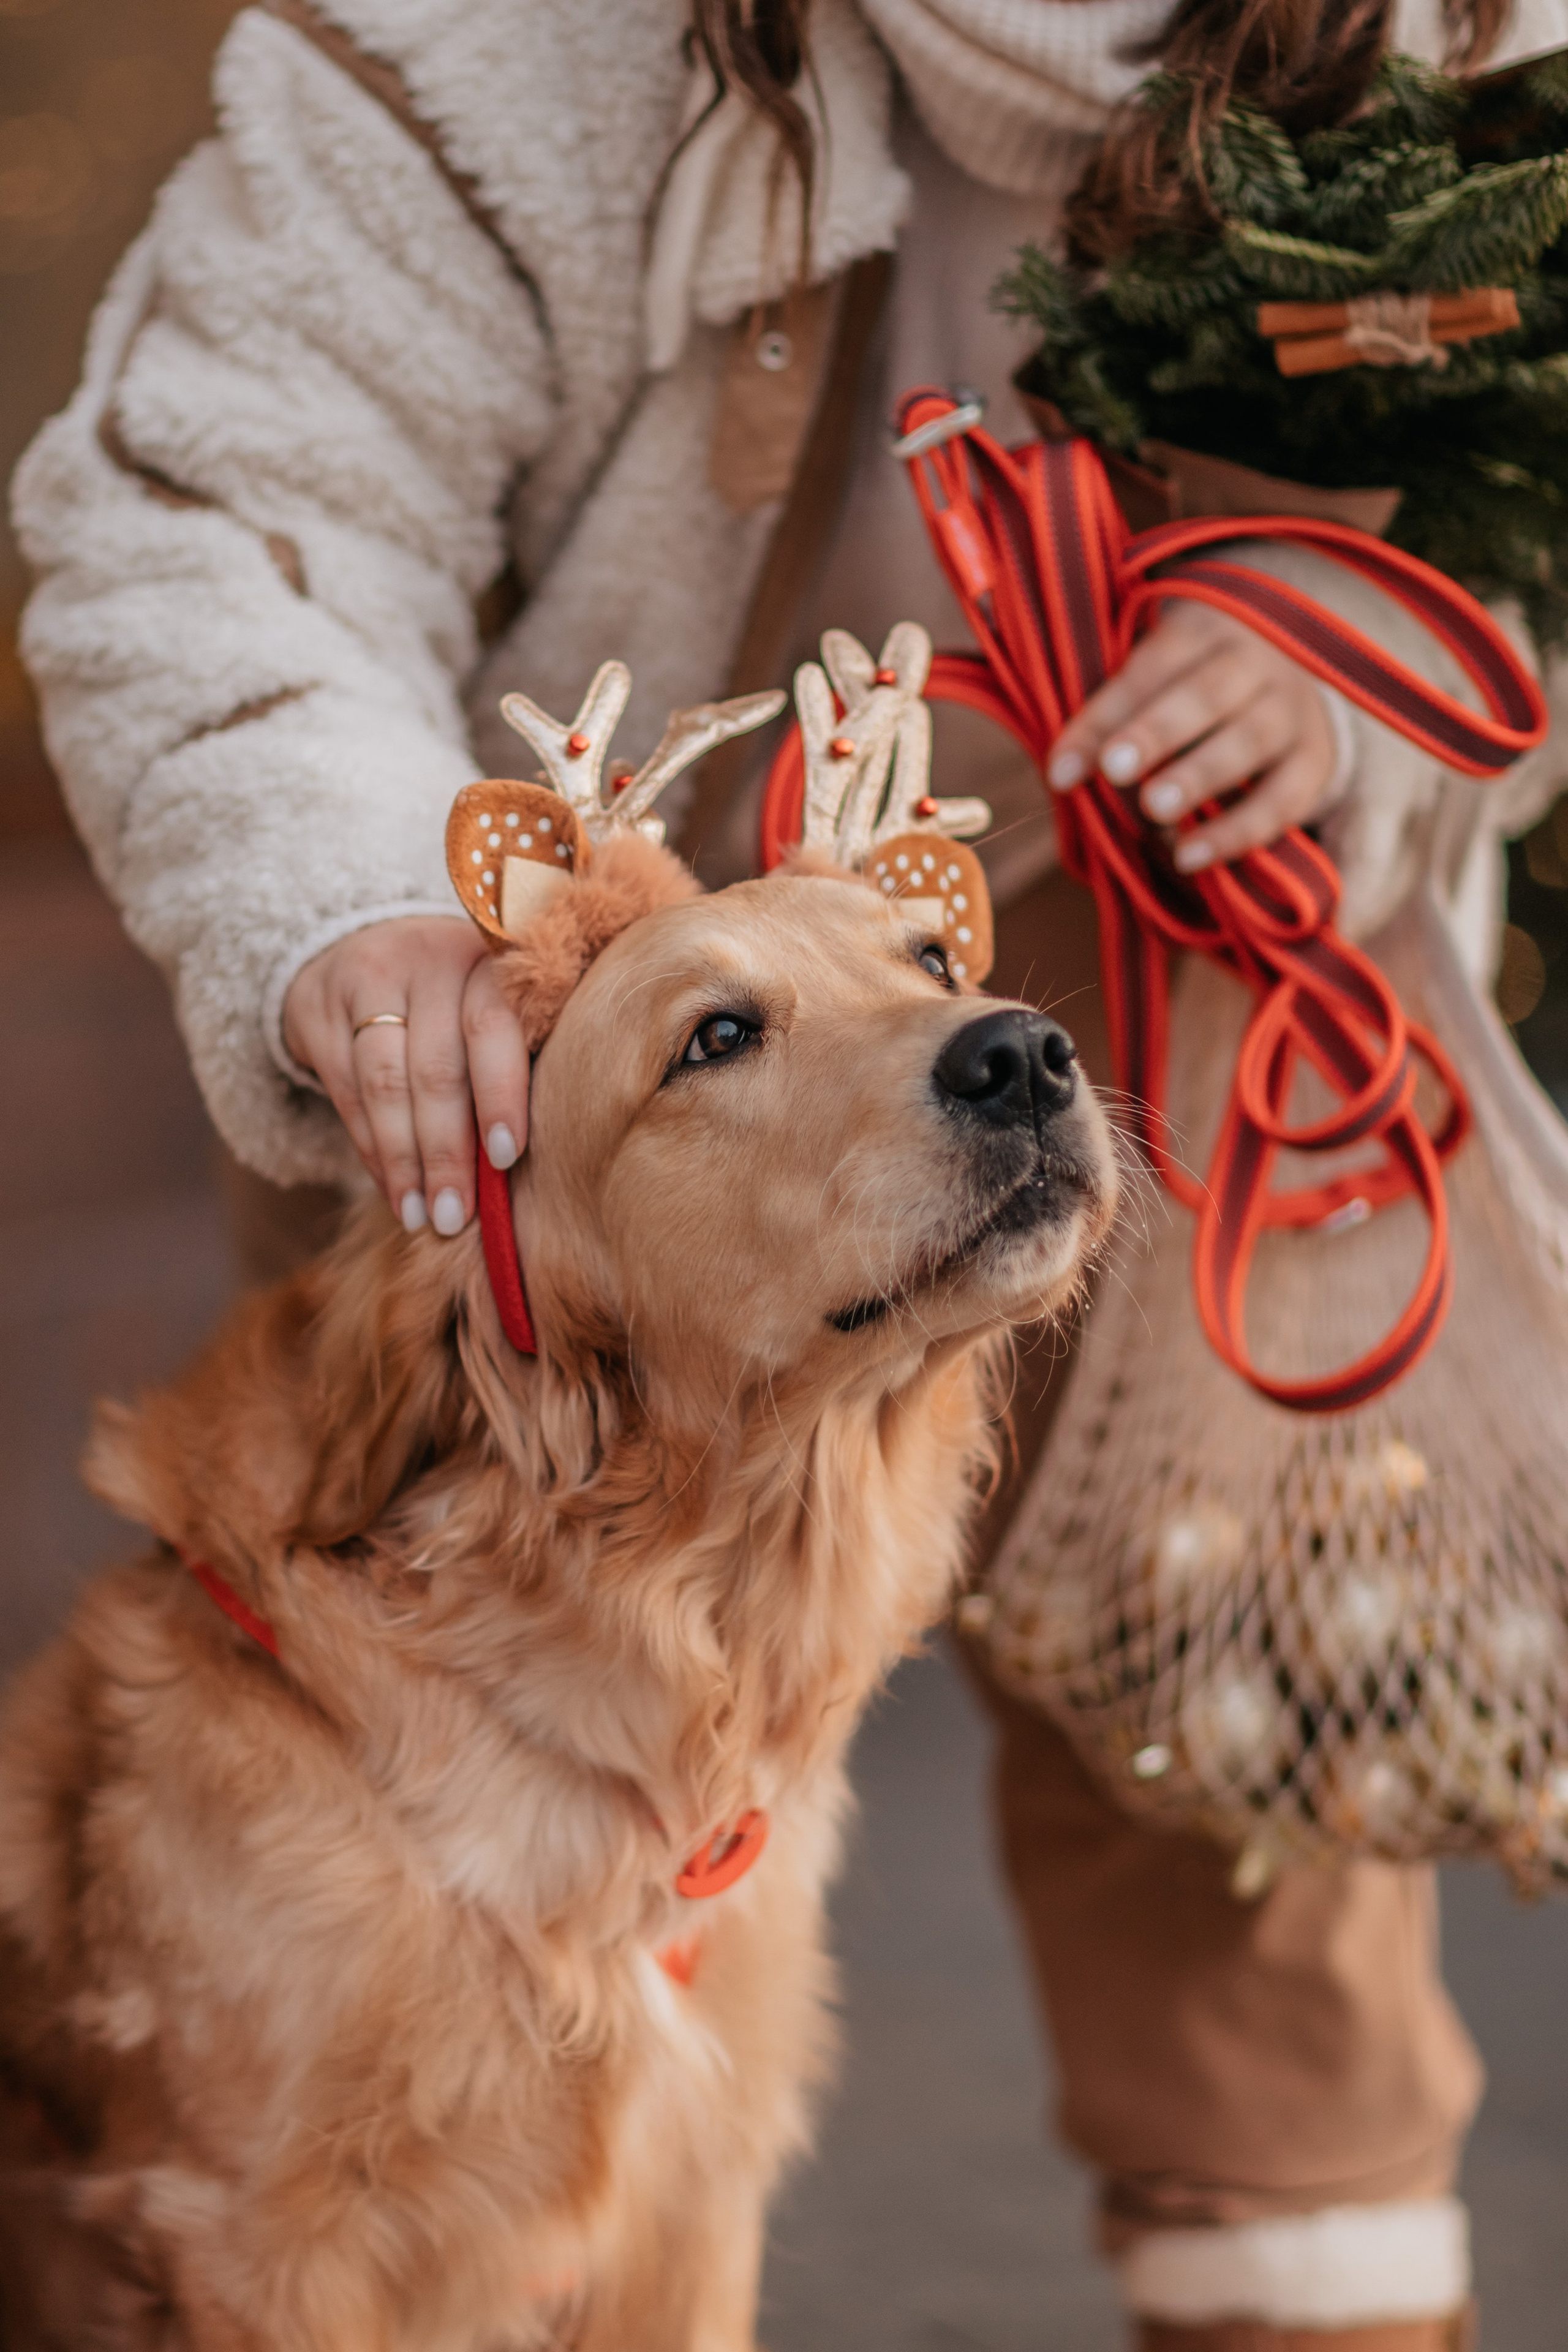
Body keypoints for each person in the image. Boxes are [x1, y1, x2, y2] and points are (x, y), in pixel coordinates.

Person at [13, 0, 1568, 2342]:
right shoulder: (485, 43)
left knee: (1242, 1795)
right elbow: (214, 514)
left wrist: (1375, 651)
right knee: (362, 1871)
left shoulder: (1476, 51)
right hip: (505, 1043)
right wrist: (338, 905)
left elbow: (1525, 492)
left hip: (1166, 974)